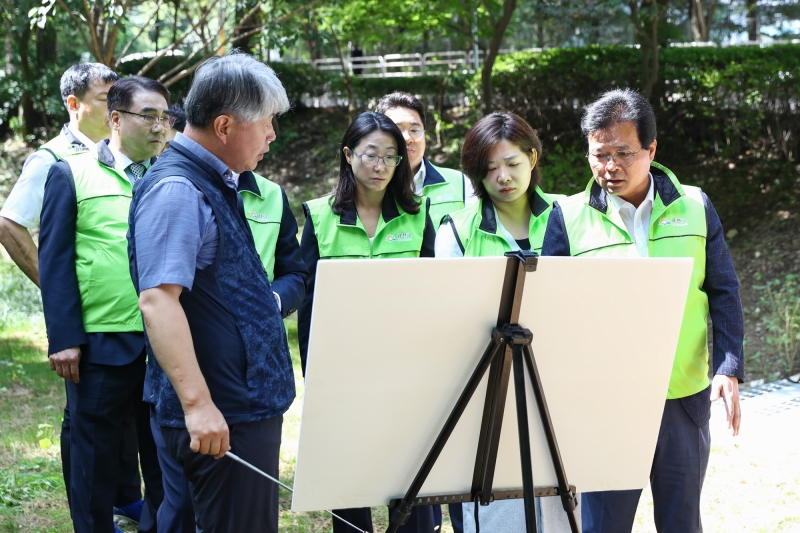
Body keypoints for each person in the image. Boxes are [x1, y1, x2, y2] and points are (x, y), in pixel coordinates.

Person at [542, 88, 744, 533]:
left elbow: (724, 289)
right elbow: (549, 311)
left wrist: (728, 367)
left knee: (681, 523)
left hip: (683, 400)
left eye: (623, 153)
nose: (609, 167)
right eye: (599, 155)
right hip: (603, 404)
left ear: (651, 150)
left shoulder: (694, 206)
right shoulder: (568, 216)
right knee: (603, 527)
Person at [128, 52, 295, 533]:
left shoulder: (213, 180)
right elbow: (158, 300)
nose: (272, 135)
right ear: (225, 126)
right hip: (218, 414)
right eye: (266, 123)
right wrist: (199, 406)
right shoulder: (178, 189)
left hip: (237, 407)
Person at [39, 75, 171, 533]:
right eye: (148, 116)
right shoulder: (71, 173)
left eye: (165, 117)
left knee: (163, 458)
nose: (160, 127)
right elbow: (53, 261)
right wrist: (65, 338)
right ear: (115, 119)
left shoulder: (172, 176)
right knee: (93, 459)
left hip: (165, 342)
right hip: (99, 344)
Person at [298, 111, 436, 533]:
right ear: (348, 154)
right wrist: (315, 375)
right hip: (344, 373)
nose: (380, 167)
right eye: (370, 155)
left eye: (391, 157)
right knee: (350, 483)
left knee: (410, 481)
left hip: (406, 372)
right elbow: (308, 303)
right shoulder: (319, 217)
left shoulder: (417, 215)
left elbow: (434, 296)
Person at [435, 111, 573, 533]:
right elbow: (450, 320)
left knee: (562, 505)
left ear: (533, 157)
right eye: (489, 168)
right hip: (489, 391)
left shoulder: (570, 215)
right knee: (498, 508)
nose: (503, 177)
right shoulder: (457, 230)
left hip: (561, 382)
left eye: (512, 163)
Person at [0, 63, 118, 287]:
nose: (116, 108)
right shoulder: (49, 159)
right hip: (82, 309)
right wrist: (53, 289)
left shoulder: (119, 153)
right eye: (105, 100)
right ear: (74, 104)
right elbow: (9, 225)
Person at [376, 91, 476, 227]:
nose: (407, 138)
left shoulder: (460, 184)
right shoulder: (369, 189)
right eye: (397, 130)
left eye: (415, 129)